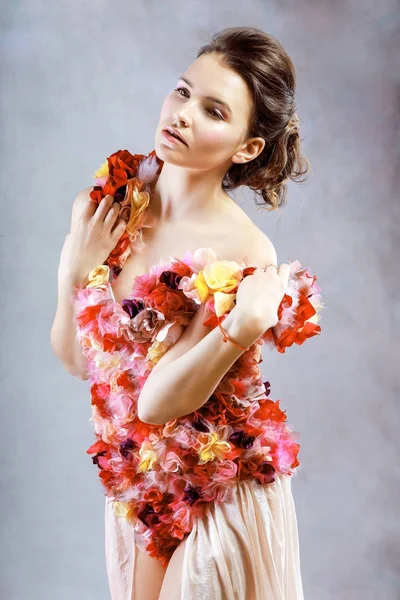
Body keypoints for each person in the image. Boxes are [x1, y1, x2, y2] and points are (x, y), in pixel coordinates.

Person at [51, 26, 319, 600]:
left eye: (214, 110)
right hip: (146, 489)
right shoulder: (106, 207)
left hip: (220, 489)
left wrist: (242, 326)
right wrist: (75, 270)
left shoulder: (245, 251)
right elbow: (79, 361)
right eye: (182, 91)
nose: (183, 114)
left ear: (247, 147)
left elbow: (158, 400)